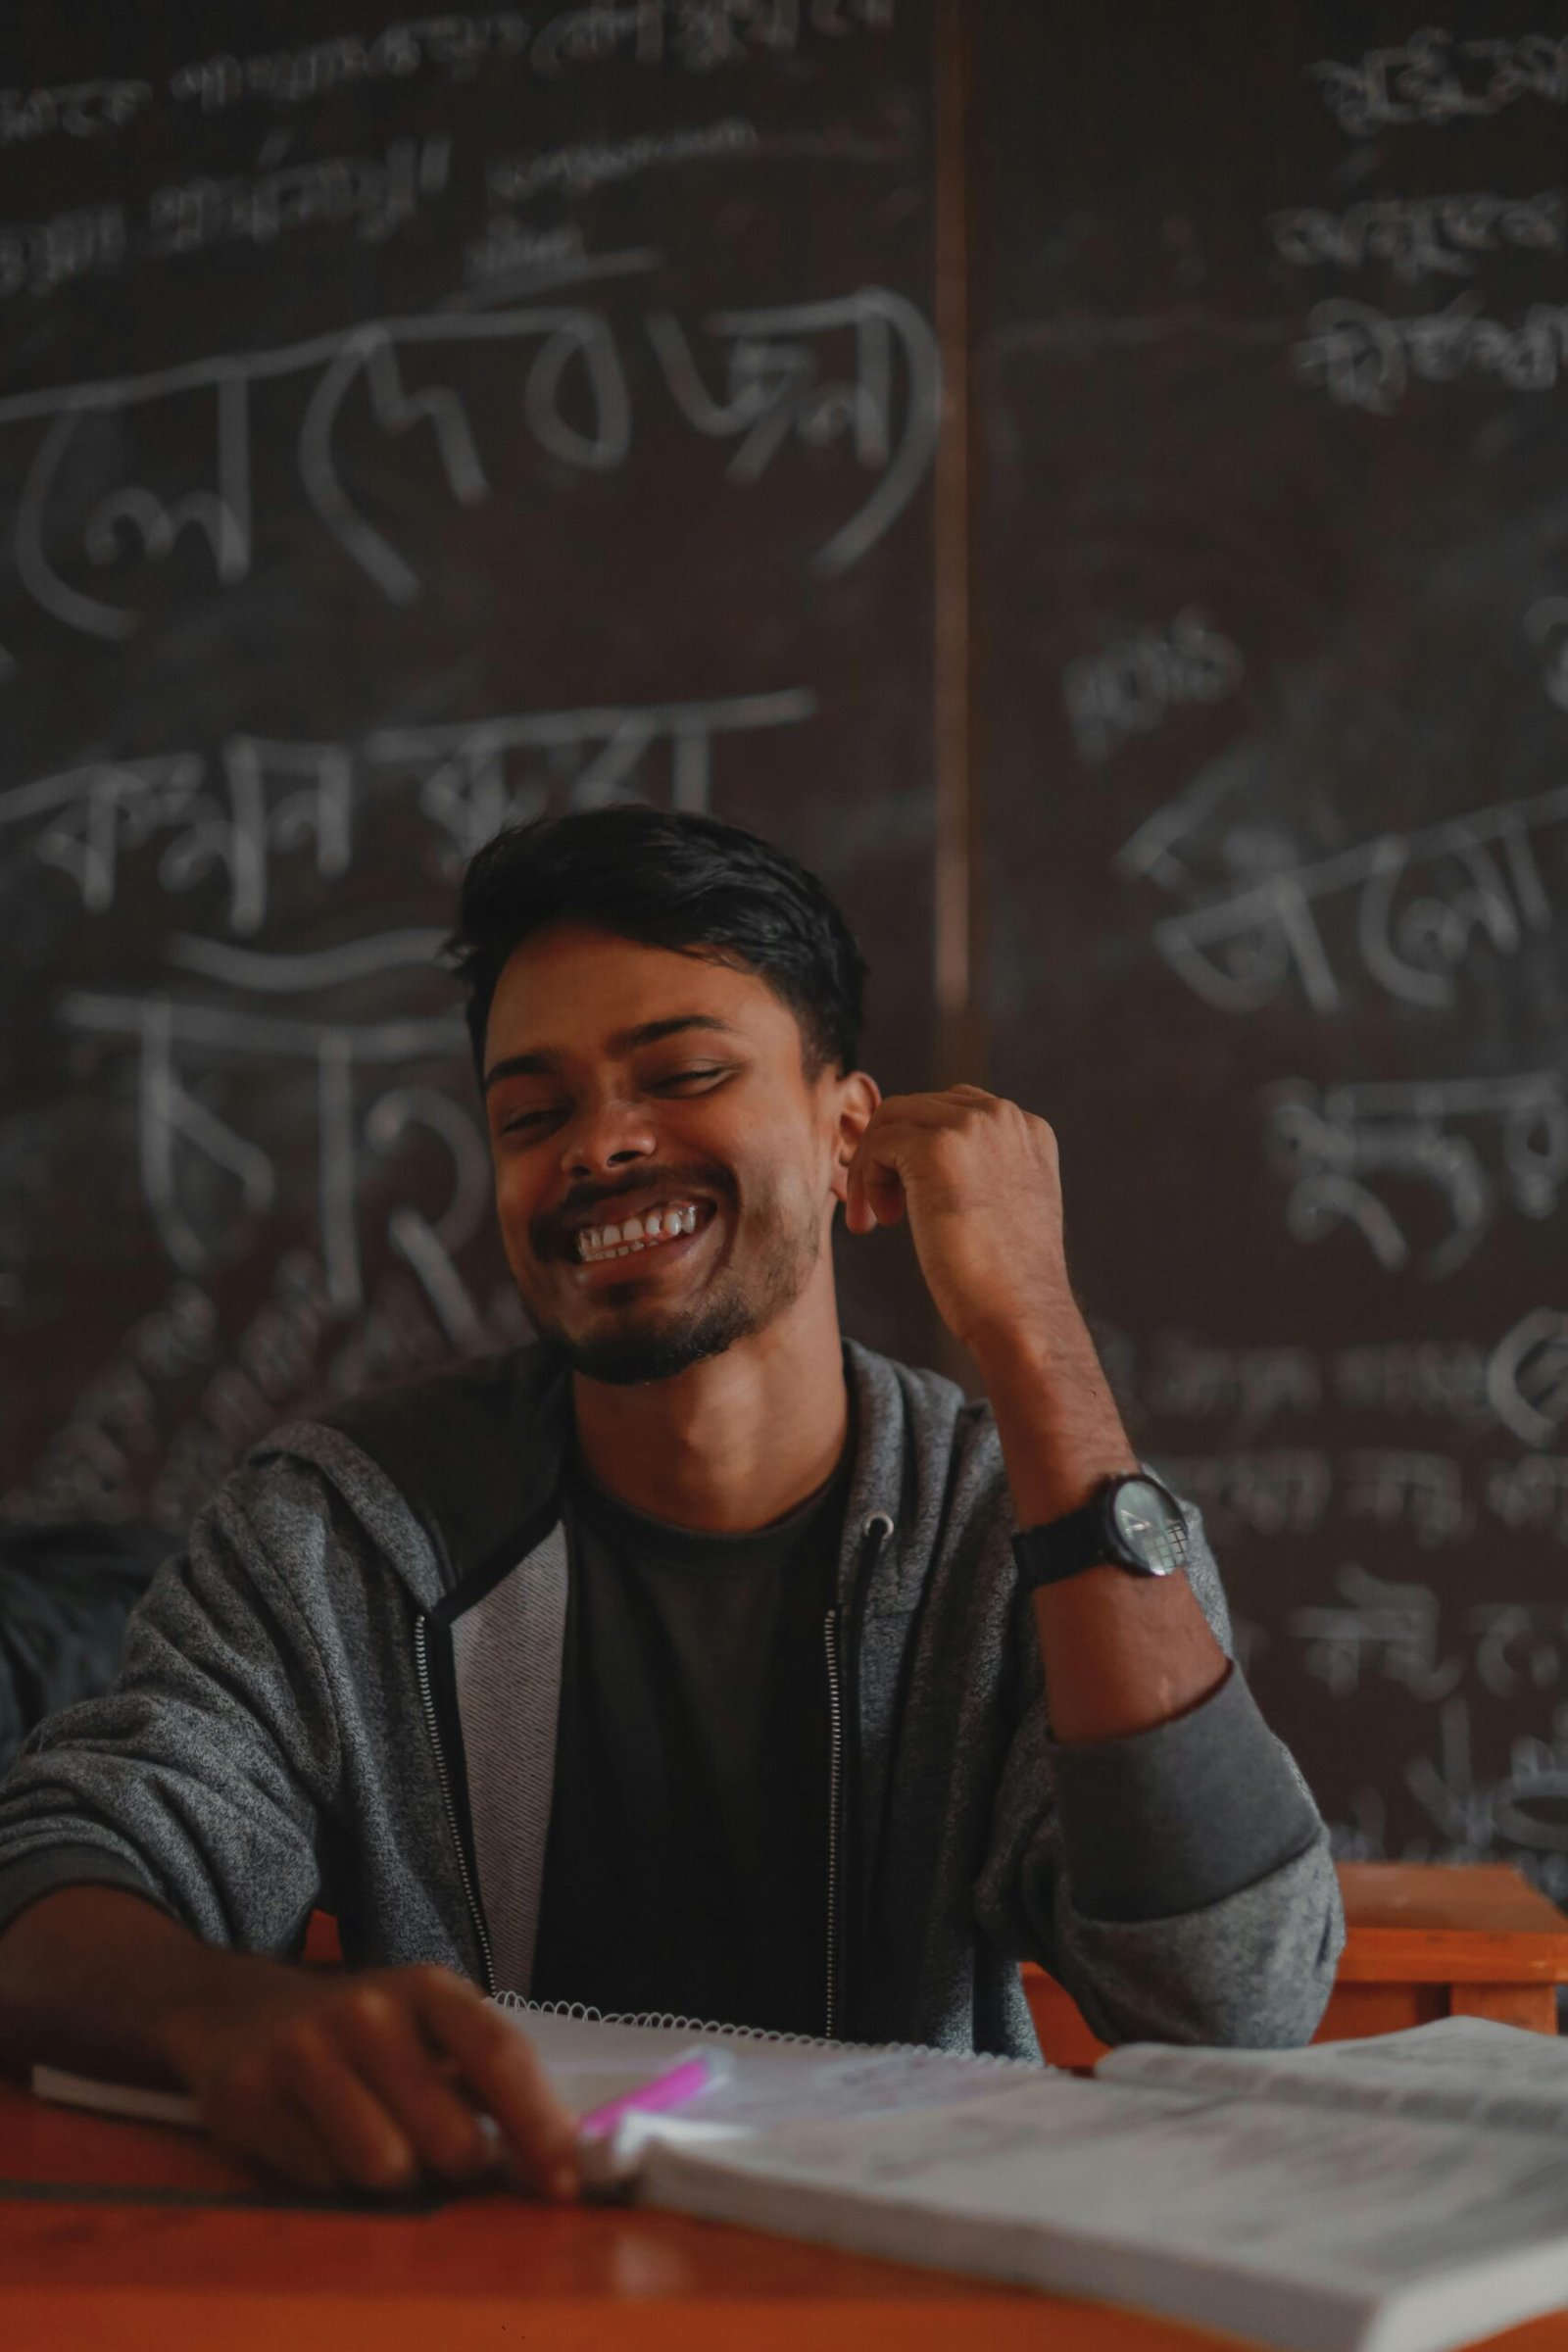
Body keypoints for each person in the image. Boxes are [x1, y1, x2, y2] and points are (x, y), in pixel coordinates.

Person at [0, 808, 1343, 2201]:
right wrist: (224, 2016)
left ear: (848, 1135)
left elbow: (1227, 2000)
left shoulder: (1032, 1529)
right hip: (488, 2290)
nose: (600, 1147)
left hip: (911, 2293)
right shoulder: (341, 1529)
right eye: (534, 1115)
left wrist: (1035, 1334)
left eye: (683, 1073)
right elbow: (63, 1861)